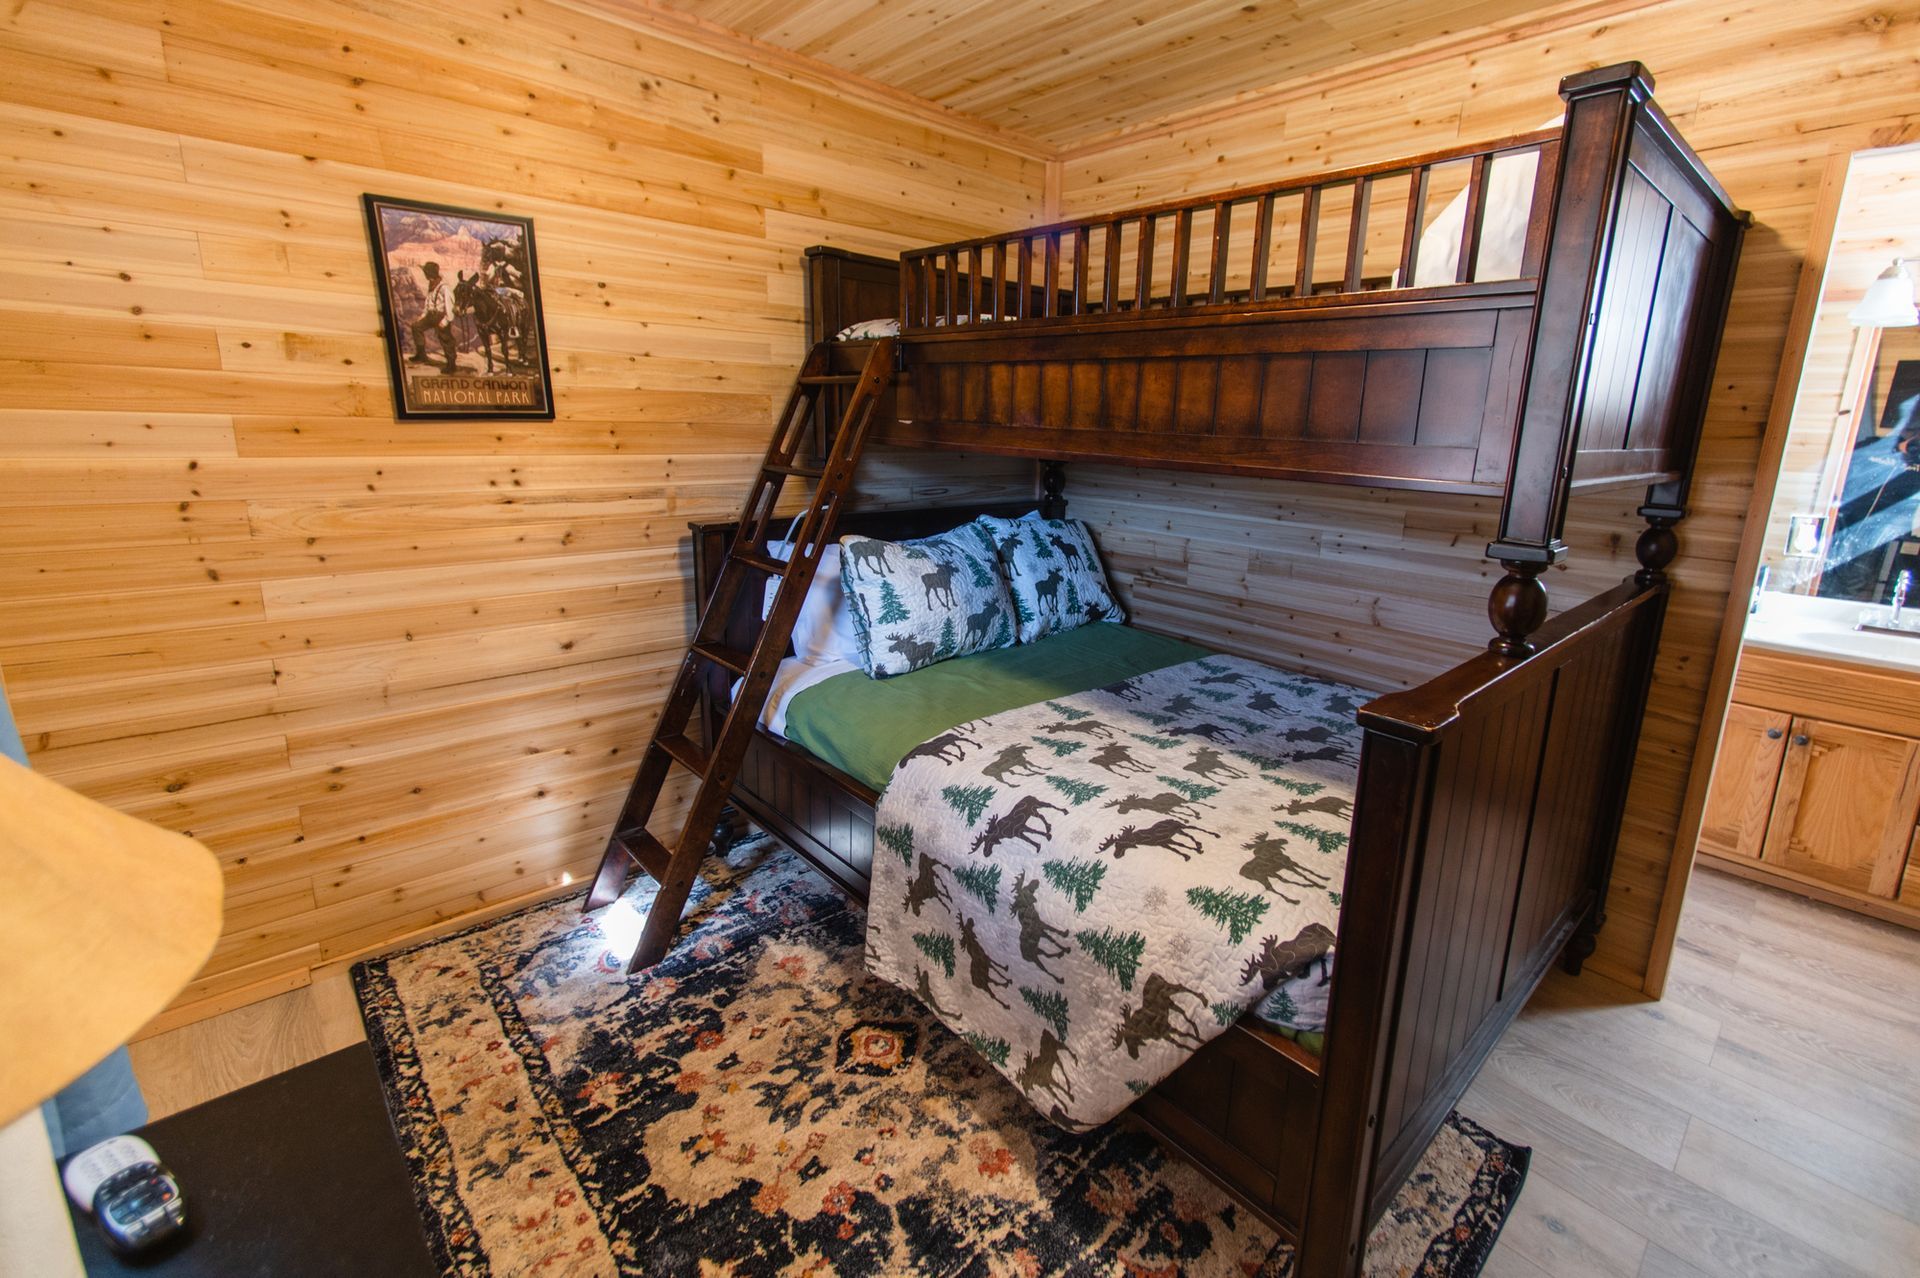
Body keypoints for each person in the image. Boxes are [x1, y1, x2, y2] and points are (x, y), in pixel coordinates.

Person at [407, 260, 458, 374]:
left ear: (429, 274)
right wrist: (423, 315)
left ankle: (451, 364)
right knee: (416, 327)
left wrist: (446, 320)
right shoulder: (431, 285)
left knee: (446, 338)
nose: (425, 275)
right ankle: (421, 355)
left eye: (426, 272)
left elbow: (450, 306)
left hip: (441, 316)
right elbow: (428, 303)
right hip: (431, 315)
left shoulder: (444, 288)